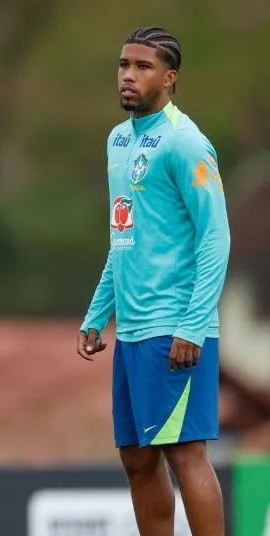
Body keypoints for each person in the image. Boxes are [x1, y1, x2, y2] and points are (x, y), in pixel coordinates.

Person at [78, 26, 230, 536]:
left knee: (186, 455)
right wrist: (99, 314)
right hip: (134, 333)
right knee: (138, 459)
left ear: (170, 78)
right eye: (124, 65)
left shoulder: (186, 143)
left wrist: (193, 324)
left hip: (177, 329)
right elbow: (124, 235)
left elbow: (216, 237)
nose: (128, 75)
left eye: (142, 67)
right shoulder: (118, 140)